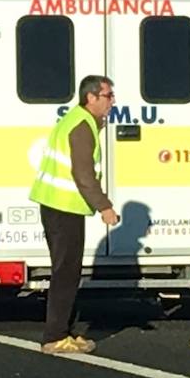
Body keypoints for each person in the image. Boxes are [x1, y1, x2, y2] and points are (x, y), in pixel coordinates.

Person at [29, 75, 120, 354]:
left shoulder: (80, 121)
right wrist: (104, 206)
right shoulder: (81, 125)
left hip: (61, 205)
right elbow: (82, 173)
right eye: (108, 96)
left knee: (69, 270)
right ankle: (54, 336)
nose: (112, 101)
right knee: (65, 272)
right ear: (90, 98)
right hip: (62, 206)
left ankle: (65, 330)